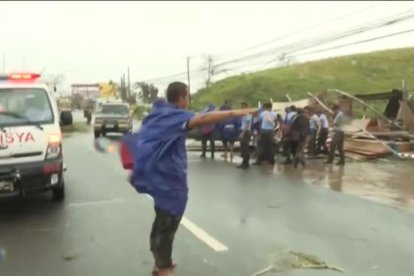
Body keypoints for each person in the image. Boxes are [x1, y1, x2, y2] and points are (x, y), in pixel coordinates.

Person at [122, 82, 256, 276]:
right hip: (170, 183)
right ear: (182, 98)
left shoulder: (157, 116)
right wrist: (235, 113)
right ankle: (164, 268)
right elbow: (204, 119)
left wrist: (139, 168)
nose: (188, 101)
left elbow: (145, 140)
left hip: (159, 180)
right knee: (168, 226)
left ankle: (159, 264)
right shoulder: (176, 118)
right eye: (188, 97)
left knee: (161, 222)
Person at [237, 102, 253, 169]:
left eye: (243, 107)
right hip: (243, 131)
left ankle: (246, 163)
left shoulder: (248, 114)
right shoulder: (244, 114)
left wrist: (242, 133)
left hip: (246, 132)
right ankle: (243, 162)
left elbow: (247, 125)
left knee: (245, 148)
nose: (241, 108)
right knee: (243, 148)